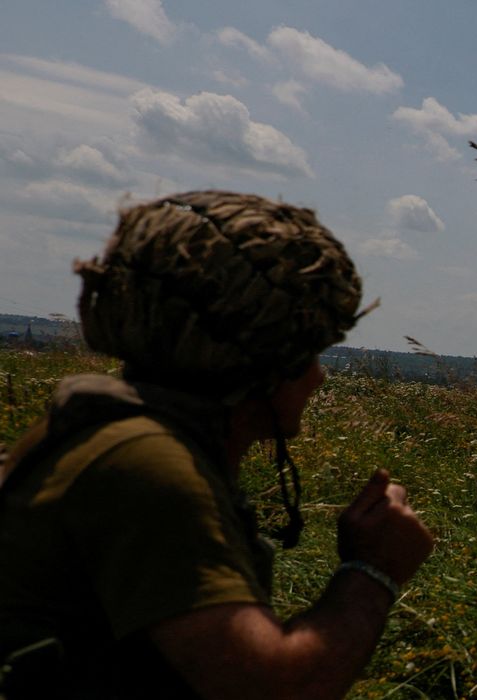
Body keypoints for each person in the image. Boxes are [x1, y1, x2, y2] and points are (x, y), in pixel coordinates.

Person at [0, 191, 435, 699]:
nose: (318, 378)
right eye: (309, 352)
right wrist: (373, 570)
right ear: (261, 363)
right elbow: (273, 689)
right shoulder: (147, 467)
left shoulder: (116, 433)